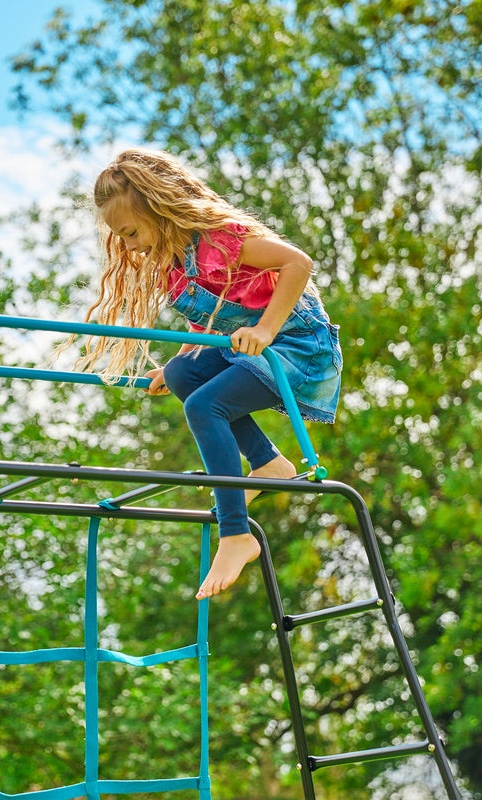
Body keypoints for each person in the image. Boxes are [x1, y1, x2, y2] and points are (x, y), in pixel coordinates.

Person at [77, 148, 342, 600]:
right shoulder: (176, 263)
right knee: (184, 376)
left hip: (296, 347)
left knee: (205, 405)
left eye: (131, 231)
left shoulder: (223, 239)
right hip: (250, 347)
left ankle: (236, 534)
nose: (128, 244)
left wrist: (265, 328)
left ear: (157, 210)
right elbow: (211, 316)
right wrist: (179, 361)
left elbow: (298, 263)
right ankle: (269, 464)